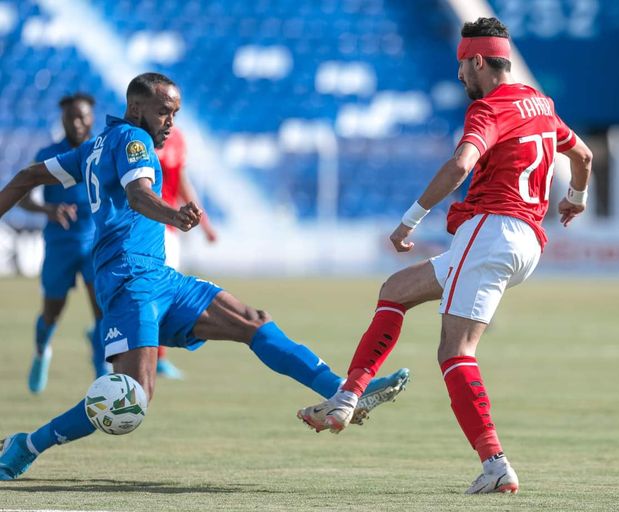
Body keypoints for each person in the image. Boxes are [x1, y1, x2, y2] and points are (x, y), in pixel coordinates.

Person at [0, 72, 409, 480]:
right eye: (163, 111)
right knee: (131, 399)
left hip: (158, 277)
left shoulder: (92, 147)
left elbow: (27, 177)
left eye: (175, 113)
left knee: (253, 321)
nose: (170, 122)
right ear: (136, 108)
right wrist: (174, 214)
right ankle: (28, 444)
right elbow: (139, 195)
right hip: (130, 283)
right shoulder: (133, 140)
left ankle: (343, 392)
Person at [298, 17, 592, 495]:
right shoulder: (542, 105)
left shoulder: (490, 109)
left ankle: (495, 464)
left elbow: (461, 164)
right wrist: (575, 199)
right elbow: (584, 157)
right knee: (395, 290)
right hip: (523, 242)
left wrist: (409, 219)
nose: (460, 77)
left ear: (478, 60)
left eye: (462, 66)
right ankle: (349, 396)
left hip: (493, 229)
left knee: (455, 352)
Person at [18, 92, 108, 393]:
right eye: (72, 117)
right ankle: (42, 351)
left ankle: (101, 374)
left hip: (96, 243)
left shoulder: (103, 150)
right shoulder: (48, 154)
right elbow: (25, 196)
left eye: (83, 116)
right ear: (63, 120)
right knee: (52, 311)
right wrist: (49, 210)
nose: (78, 122)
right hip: (60, 244)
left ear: (92, 118)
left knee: (103, 310)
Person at [153, 127, 218, 379]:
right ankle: (109, 341)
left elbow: (181, 182)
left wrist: (206, 225)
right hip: (140, 227)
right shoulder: (138, 135)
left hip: (168, 229)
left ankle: (158, 358)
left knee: (162, 296)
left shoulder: (178, 137)